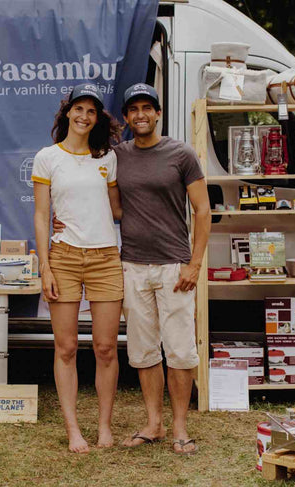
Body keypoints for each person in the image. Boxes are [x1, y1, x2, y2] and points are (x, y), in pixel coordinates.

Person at [56, 84, 211, 454]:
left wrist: (195, 263)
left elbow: (203, 211)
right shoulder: (116, 156)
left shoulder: (182, 153)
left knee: (180, 351)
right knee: (143, 352)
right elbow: (108, 204)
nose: (140, 114)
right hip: (132, 265)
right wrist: (66, 220)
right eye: (133, 109)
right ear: (125, 118)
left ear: (158, 113)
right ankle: (154, 423)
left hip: (175, 267)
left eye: (147, 108)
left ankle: (179, 428)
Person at [32, 83, 123, 453]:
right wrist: (45, 268)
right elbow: (41, 216)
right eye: (79, 108)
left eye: (92, 111)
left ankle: (104, 426)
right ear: (67, 112)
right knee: (66, 347)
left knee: (105, 348)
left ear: (97, 117)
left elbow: (117, 211)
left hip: (105, 259)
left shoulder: (109, 158)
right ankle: (73, 429)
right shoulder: (46, 157)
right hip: (64, 258)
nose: (84, 116)